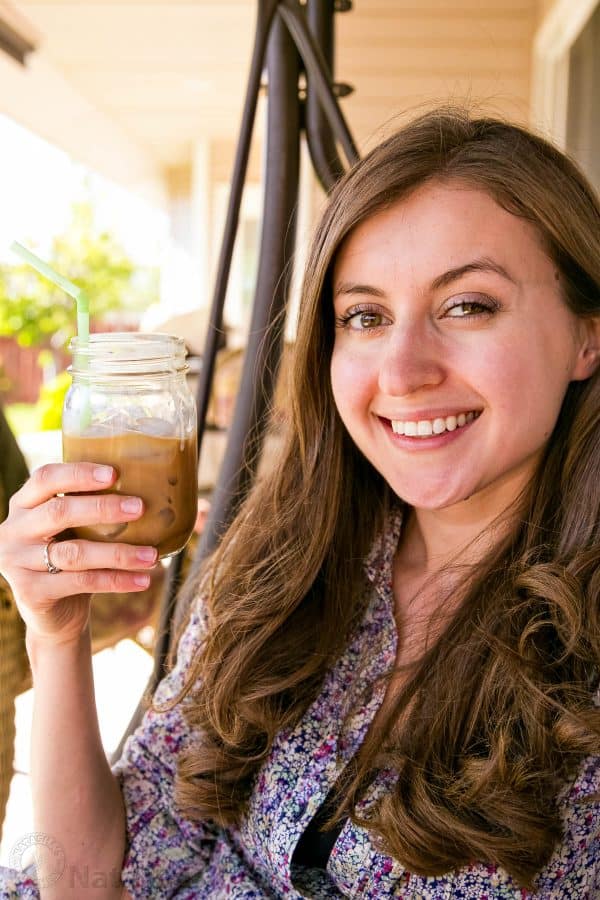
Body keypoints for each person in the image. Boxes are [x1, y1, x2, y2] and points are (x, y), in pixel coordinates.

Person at [0, 107, 599, 899]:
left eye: (468, 305)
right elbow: (89, 881)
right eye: (365, 316)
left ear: (587, 334)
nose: (403, 372)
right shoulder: (287, 564)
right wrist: (57, 637)